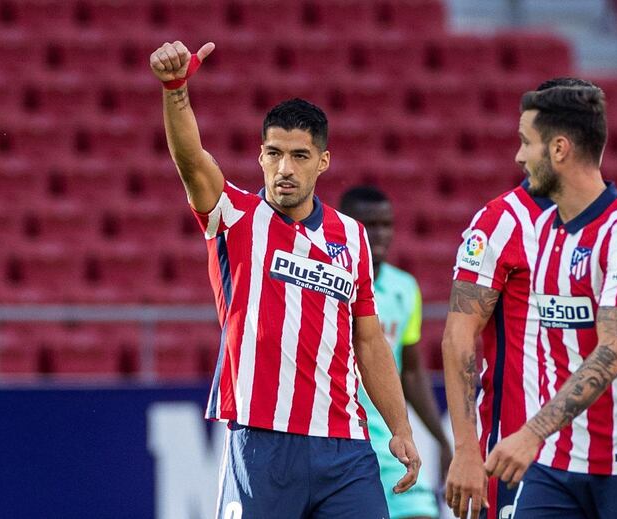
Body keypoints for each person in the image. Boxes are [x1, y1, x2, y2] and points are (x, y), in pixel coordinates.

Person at [149, 40, 420, 518]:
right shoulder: (234, 216)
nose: (285, 169)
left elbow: (369, 338)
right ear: (260, 157)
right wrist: (176, 89)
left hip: (344, 445)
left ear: (323, 161)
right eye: (274, 153)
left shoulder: (351, 236)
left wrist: (399, 425)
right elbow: (191, 161)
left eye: (299, 155)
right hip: (260, 442)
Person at [484, 81, 617, 517]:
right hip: (554, 465)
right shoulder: (541, 231)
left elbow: (612, 351)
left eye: (525, 143)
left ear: (558, 149)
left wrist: (531, 432)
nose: (518, 157)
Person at [441, 76, 561, 517]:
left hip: (596, 450)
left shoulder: (613, 226)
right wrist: (468, 449)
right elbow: (458, 339)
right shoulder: (500, 222)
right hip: (514, 449)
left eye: (527, 142)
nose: (518, 155)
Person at [340, 186, 453, 519]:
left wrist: (441, 439)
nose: (380, 234)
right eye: (369, 225)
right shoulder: (328, 284)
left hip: (393, 447)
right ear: (348, 226)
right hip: (345, 446)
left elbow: (412, 372)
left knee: (421, 512)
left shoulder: (405, 288)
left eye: (386, 224)